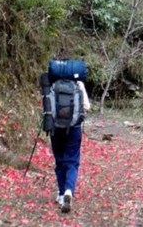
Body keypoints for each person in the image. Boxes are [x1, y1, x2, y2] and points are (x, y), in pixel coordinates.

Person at [50, 80, 90, 213]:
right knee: (72, 162)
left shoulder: (52, 83)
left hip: (55, 128)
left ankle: (61, 195)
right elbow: (87, 107)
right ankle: (68, 190)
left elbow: (47, 107)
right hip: (74, 128)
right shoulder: (78, 84)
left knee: (59, 161)